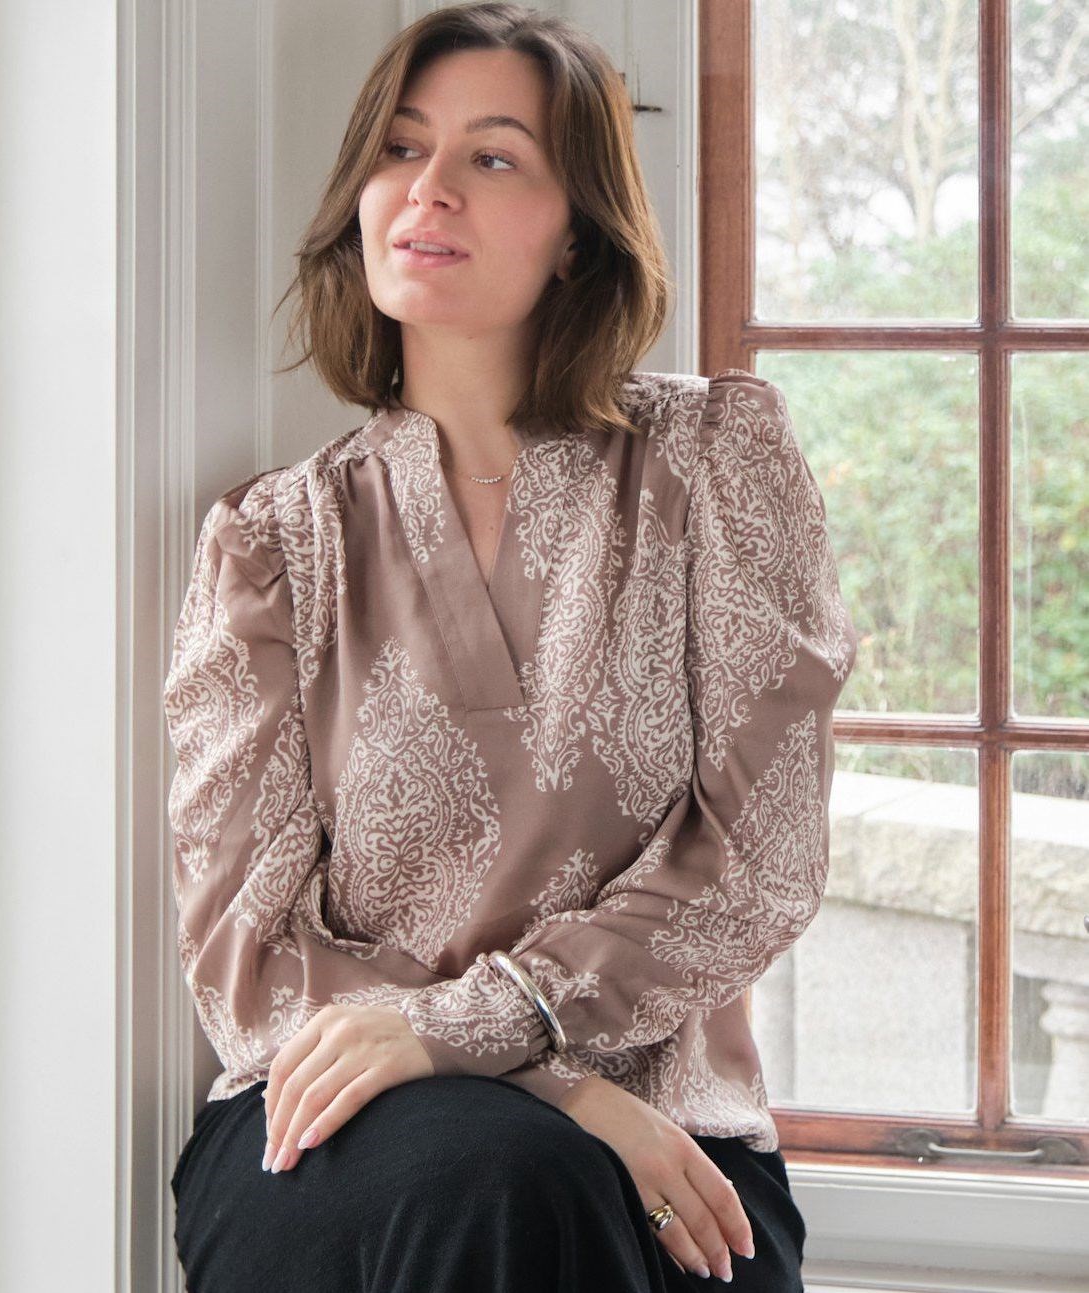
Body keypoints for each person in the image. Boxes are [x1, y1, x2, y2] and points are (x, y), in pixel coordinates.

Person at [162, 3, 859, 1290]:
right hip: (330, 1127)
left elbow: (758, 861)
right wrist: (551, 1082)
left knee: (523, 1187)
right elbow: (246, 953)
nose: (427, 189)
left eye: (491, 157)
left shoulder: (715, 466)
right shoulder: (272, 545)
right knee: (500, 1173)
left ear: (578, 228)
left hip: (671, 1147)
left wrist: (497, 1033)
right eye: (400, 148)